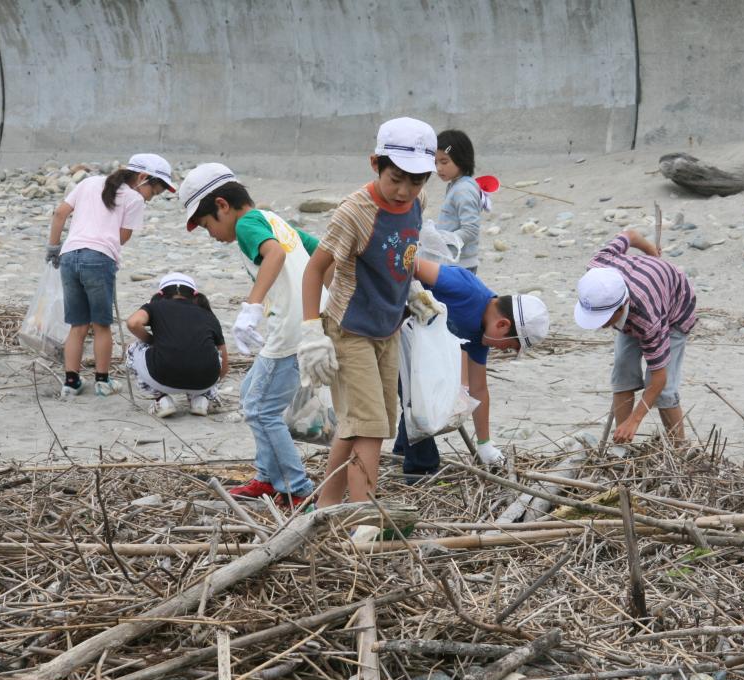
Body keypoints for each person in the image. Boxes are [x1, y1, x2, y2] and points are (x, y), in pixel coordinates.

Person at [299, 117, 437, 507]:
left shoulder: (416, 203)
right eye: (396, 178)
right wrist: (312, 332)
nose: (405, 190)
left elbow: (403, 253)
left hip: (387, 327)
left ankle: (325, 506)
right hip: (351, 328)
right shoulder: (354, 213)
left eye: (417, 180)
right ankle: (363, 517)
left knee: (363, 423)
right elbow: (314, 269)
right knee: (371, 427)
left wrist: (410, 289)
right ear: (375, 163)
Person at [179, 163, 317, 508]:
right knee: (248, 391)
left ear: (222, 205)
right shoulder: (274, 219)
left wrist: (251, 307)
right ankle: (268, 478)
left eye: (207, 223)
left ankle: (296, 488)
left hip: (291, 331)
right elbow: (321, 253)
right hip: (307, 326)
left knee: (261, 409)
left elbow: (275, 254)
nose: (210, 233)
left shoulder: (247, 225)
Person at [394, 256, 550, 476]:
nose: (503, 350)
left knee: (423, 397)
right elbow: (410, 263)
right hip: (391, 327)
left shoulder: (479, 336)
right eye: (509, 346)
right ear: (503, 324)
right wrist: (411, 299)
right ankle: (421, 471)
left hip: (417, 350)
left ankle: (401, 452)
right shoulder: (466, 289)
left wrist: (484, 444)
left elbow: (478, 390)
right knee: (421, 402)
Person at [47, 154, 175, 399]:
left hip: (69, 256)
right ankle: (102, 382)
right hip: (98, 260)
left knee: (77, 325)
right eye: (154, 192)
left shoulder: (89, 183)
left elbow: (59, 213)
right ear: (143, 178)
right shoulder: (135, 199)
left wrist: (53, 248)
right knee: (102, 324)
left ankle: (71, 382)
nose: (152, 197)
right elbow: (121, 238)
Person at [573, 229, 697, 444]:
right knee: (623, 371)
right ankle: (622, 447)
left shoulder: (647, 320)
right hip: (644, 289)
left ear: (621, 308)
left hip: (675, 308)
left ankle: (679, 451)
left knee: (664, 392)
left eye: (604, 319)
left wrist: (635, 420)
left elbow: (659, 378)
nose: (601, 326)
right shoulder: (597, 266)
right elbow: (629, 234)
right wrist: (650, 249)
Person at [125, 273, 228, 418]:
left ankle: (162, 399)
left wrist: (151, 340)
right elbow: (224, 366)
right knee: (213, 354)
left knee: (132, 349)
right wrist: (207, 386)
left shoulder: (154, 306)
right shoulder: (209, 315)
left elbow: (133, 323)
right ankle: (201, 398)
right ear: (195, 294)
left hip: (162, 378)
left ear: (160, 293)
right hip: (204, 382)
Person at [434, 130, 484, 273]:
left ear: (461, 158)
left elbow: (471, 230)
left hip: (461, 264)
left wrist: (442, 240)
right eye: (435, 162)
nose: (438, 168)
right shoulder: (456, 185)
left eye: (444, 161)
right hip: (454, 261)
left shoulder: (463, 189)